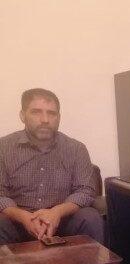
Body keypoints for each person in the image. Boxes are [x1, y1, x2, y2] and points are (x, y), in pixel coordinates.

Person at [0, 88, 103, 244]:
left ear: (59, 117)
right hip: (18, 221)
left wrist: (56, 212)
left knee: (90, 218)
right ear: (22, 115)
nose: (45, 120)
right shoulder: (3, 148)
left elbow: (85, 190)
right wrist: (24, 217)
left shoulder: (76, 149)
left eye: (52, 113)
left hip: (62, 221)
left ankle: (95, 263)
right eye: (36, 112)